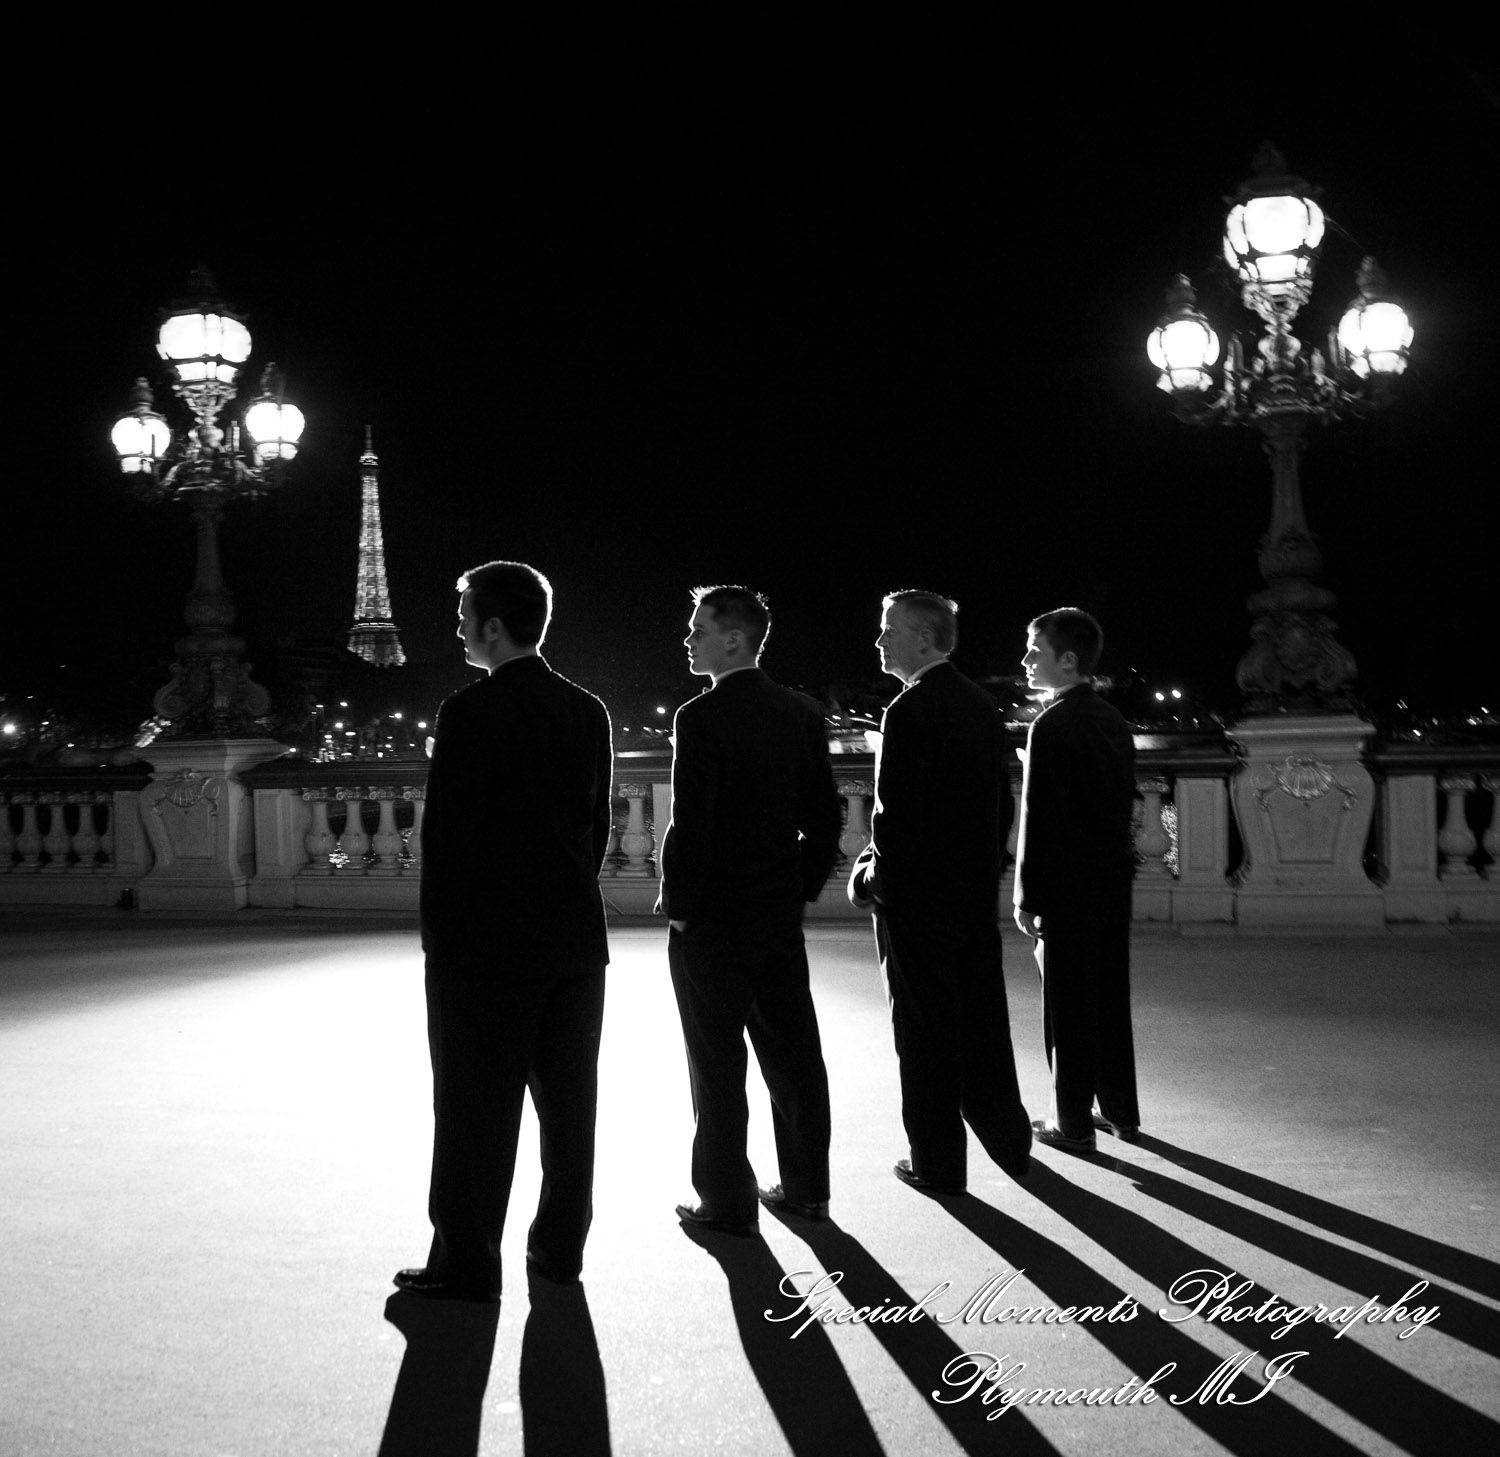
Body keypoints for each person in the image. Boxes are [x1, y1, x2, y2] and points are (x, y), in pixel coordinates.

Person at [395, 561, 613, 1301]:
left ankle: (465, 1261)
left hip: (486, 946)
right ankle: (558, 1249)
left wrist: (439, 940)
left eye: (464, 615)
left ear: (493, 626)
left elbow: (450, 842)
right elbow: (596, 829)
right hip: (575, 943)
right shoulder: (588, 710)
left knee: (472, 1112)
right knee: (569, 1108)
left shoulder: (469, 712)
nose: (457, 627)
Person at [659, 585, 841, 1235]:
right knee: (794, 1058)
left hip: (712, 919)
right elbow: (827, 817)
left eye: (698, 628)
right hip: (775, 912)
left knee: (716, 1067)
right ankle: (807, 1188)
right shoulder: (800, 711)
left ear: (733, 639)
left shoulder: (699, 717)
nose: (688, 638)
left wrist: (678, 908)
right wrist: (799, 886)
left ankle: (727, 1201)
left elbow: (692, 825)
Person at [849, 590, 1031, 1194]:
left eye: (888, 630)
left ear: (923, 639)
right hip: (971, 899)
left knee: (922, 1036)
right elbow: (1001, 808)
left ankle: (937, 1161)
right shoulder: (982, 706)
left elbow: (895, 822)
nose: (879, 641)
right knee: (981, 1021)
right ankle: (1009, 1137)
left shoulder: (908, 710)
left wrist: (870, 882)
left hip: (918, 908)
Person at [1014, 606, 1139, 1154]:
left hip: (1066, 889)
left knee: (1066, 1005)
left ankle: (1071, 1120)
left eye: (1035, 651)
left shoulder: (1052, 724)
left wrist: (1025, 897)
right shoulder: (1112, 720)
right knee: (1110, 999)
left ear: (1067, 660)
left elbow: (1040, 820)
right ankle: (1120, 1111)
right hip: (1110, 882)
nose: (1026, 661)